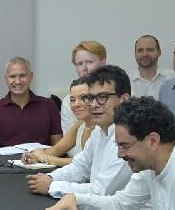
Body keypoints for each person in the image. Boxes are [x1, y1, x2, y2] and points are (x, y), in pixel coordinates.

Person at [43, 96, 175, 210]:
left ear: (152, 141)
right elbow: (121, 205)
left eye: (125, 146)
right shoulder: (149, 163)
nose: (120, 155)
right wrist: (77, 199)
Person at [26, 65, 133, 199]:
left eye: (102, 97)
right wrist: (50, 177)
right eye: (91, 98)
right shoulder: (100, 130)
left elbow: (101, 191)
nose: (93, 105)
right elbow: (80, 167)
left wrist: (51, 186)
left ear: (125, 99)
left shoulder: (130, 137)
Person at [0, 57, 62, 150]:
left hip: (41, 163)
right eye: (12, 76)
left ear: (31, 76)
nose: (17, 81)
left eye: (22, 76)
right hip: (4, 163)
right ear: (6, 79)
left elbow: (58, 147)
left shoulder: (49, 106)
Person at [21, 79, 95, 167]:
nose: (76, 104)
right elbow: (56, 150)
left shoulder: (104, 127)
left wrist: (45, 158)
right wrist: (34, 155)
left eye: (83, 98)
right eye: (72, 100)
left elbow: (88, 163)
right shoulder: (81, 124)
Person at [59, 40, 108, 134]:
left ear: (103, 62)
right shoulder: (69, 100)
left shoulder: (117, 94)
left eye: (89, 62)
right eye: (79, 64)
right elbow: (70, 140)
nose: (84, 68)